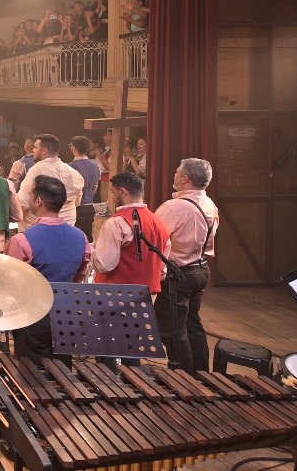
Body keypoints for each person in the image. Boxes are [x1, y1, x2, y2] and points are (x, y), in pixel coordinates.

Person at [4, 176, 92, 360]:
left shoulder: (22, 240)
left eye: (30, 193)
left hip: (33, 317)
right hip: (67, 313)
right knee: (63, 369)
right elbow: (80, 275)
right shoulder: (80, 237)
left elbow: (12, 284)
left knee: (31, 374)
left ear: (38, 201)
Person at [154, 158, 219, 373]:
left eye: (176, 172)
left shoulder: (175, 207)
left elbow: (155, 239)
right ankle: (201, 374)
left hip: (179, 274)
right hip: (201, 269)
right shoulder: (209, 203)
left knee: (174, 330)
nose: (174, 175)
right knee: (193, 325)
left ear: (185, 178)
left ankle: (183, 380)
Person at [93, 172, 170, 293]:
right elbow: (162, 270)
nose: (112, 197)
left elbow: (104, 265)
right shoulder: (160, 223)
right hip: (148, 294)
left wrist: (91, 251)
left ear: (122, 192)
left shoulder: (116, 223)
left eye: (113, 192)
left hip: (116, 295)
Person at [18, 134, 84, 225]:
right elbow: (77, 201)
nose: (33, 150)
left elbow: (22, 203)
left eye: (35, 147)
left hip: (38, 232)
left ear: (44, 151)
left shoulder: (37, 171)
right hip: (67, 227)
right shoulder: (74, 173)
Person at [68, 135, 103, 240]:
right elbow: (95, 187)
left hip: (76, 207)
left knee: (74, 237)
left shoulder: (69, 167)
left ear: (73, 148)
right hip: (90, 206)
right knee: (87, 236)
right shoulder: (96, 166)